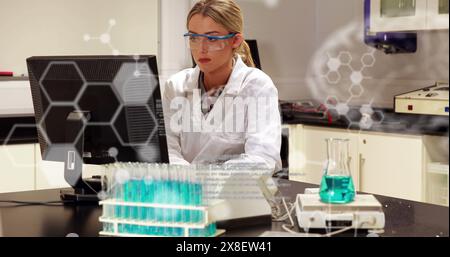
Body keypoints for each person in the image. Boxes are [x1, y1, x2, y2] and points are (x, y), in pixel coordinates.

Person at [163, 0, 281, 171]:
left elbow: (263, 158)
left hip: (236, 194)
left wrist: (208, 180)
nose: (201, 49)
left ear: (235, 40)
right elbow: (168, 152)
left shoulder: (257, 86)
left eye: (211, 38)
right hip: (186, 192)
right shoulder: (175, 86)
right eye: (194, 38)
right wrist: (191, 182)